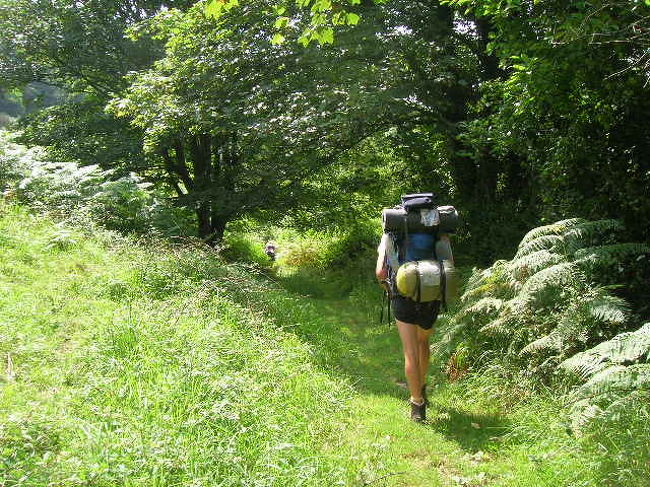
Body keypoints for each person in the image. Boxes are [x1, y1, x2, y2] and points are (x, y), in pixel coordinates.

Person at [376, 230, 453, 422]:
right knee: (423, 343)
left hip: (402, 297)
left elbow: (380, 273)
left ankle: (417, 405)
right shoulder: (437, 232)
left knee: (410, 352)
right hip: (431, 296)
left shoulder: (391, 234)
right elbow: (449, 264)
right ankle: (422, 386)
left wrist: (390, 289)